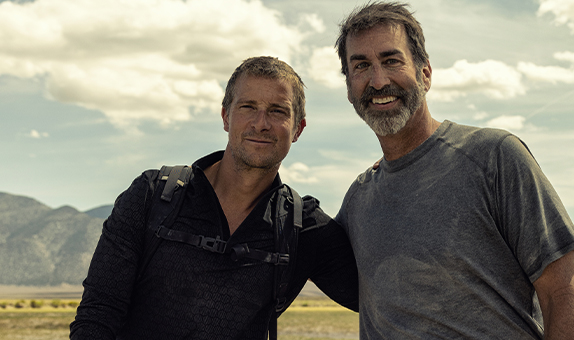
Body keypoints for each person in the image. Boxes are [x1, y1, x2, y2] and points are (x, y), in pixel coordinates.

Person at [334, 2, 574, 339]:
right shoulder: (359, 199)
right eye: (361, 66)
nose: (378, 81)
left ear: (425, 73)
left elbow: (561, 292)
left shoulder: (494, 157)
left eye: (391, 60)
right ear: (349, 86)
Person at [70, 56, 358, 340]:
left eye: (277, 111)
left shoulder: (303, 228)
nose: (261, 123)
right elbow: (98, 314)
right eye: (248, 107)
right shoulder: (153, 196)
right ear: (225, 116)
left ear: (298, 129)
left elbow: (384, 299)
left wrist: (396, 172)